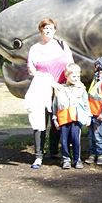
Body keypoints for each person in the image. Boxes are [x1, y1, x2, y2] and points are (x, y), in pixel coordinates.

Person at [26, 18, 74, 165]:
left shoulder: (62, 45)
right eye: (45, 28)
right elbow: (31, 70)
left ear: (54, 30)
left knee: (58, 121)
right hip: (42, 89)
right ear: (41, 30)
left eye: (51, 28)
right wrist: (49, 82)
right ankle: (39, 155)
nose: (48, 31)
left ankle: (54, 151)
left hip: (60, 89)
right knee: (40, 121)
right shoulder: (35, 48)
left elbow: (71, 64)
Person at [51, 63, 90, 169]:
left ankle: (77, 160)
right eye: (74, 76)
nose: (76, 79)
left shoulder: (81, 89)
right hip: (63, 118)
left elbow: (86, 103)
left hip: (76, 118)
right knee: (64, 140)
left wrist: (88, 116)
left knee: (76, 139)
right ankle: (66, 159)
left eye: (78, 76)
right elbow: (55, 105)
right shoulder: (60, 89)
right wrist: (55, 119)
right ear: (66, 75)